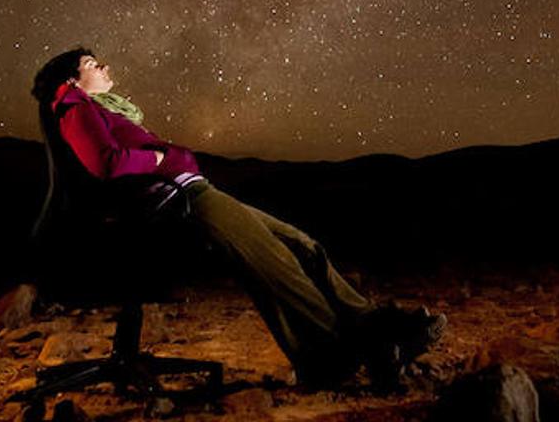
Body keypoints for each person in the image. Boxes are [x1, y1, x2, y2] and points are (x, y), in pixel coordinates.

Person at [30, 47, 445, 389]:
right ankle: (344, 354)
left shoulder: (108, 110)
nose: (102, 66)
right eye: (90, 64)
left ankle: (372, 327)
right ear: (71, 80)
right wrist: (161, 157)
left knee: (301, 245)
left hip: (194, 192)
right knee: (276, 264)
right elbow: (106, 163)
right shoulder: (73, 105)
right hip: (180, 203)